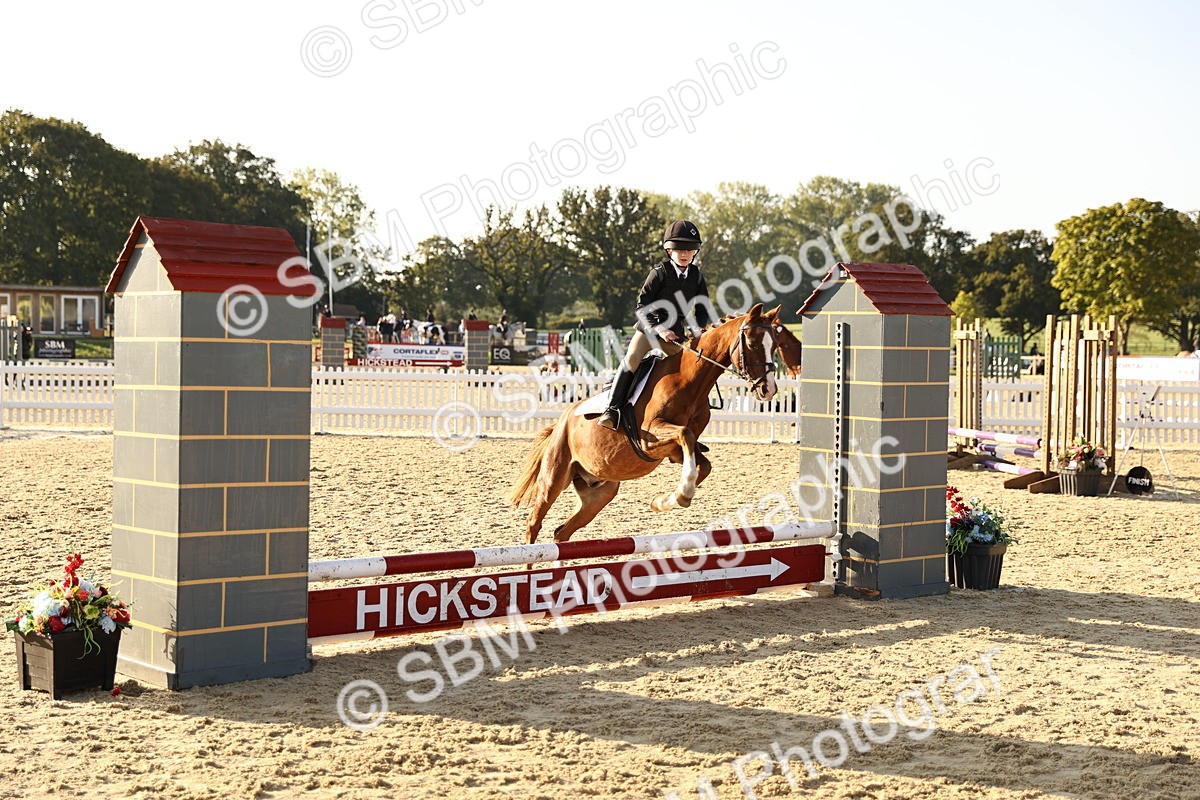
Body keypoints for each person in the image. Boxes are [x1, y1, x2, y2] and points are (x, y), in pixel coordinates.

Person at [597, 220, 712, 430]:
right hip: (649, 332)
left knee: (691, 370)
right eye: (679, 249)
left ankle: (689, 417)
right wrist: (660, 329)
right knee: (632, 359)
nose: (685, 254)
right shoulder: (659, 272)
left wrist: (699, 332)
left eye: (690, 249)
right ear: (669, 250)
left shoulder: (696, 276)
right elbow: (642, 306)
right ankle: (612, 410)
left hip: (676, 334)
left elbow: (702, 308)